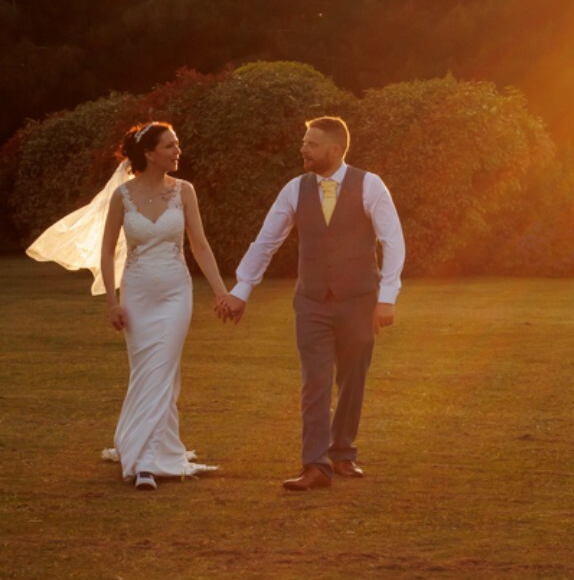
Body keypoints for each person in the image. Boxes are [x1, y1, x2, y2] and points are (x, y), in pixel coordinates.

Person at [28, 121, 230, 491]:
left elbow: (200, 245)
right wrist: (112, 302)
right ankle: (148, 445)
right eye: (170, 146)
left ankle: (145, 463)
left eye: (176, 144)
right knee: (146, 372)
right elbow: (107, 251)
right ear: (149, 153)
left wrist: (221, 292)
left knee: (162, 369)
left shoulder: (184, 191)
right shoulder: (122, 196)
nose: (178, 151)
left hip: (176, 293)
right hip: (136, 294)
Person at [219, 115, 405, 491]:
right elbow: (266, 241)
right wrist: (242, 289)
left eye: (312, 144)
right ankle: (315, 466)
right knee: (315, 381)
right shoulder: (294, 189)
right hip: (311, 302)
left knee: (353, 378)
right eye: (304, 143)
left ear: (335, 150)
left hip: (359, 300)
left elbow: (393, 240)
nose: (303, 149)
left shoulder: (370, 185)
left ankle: (342, 452)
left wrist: (387, 297)